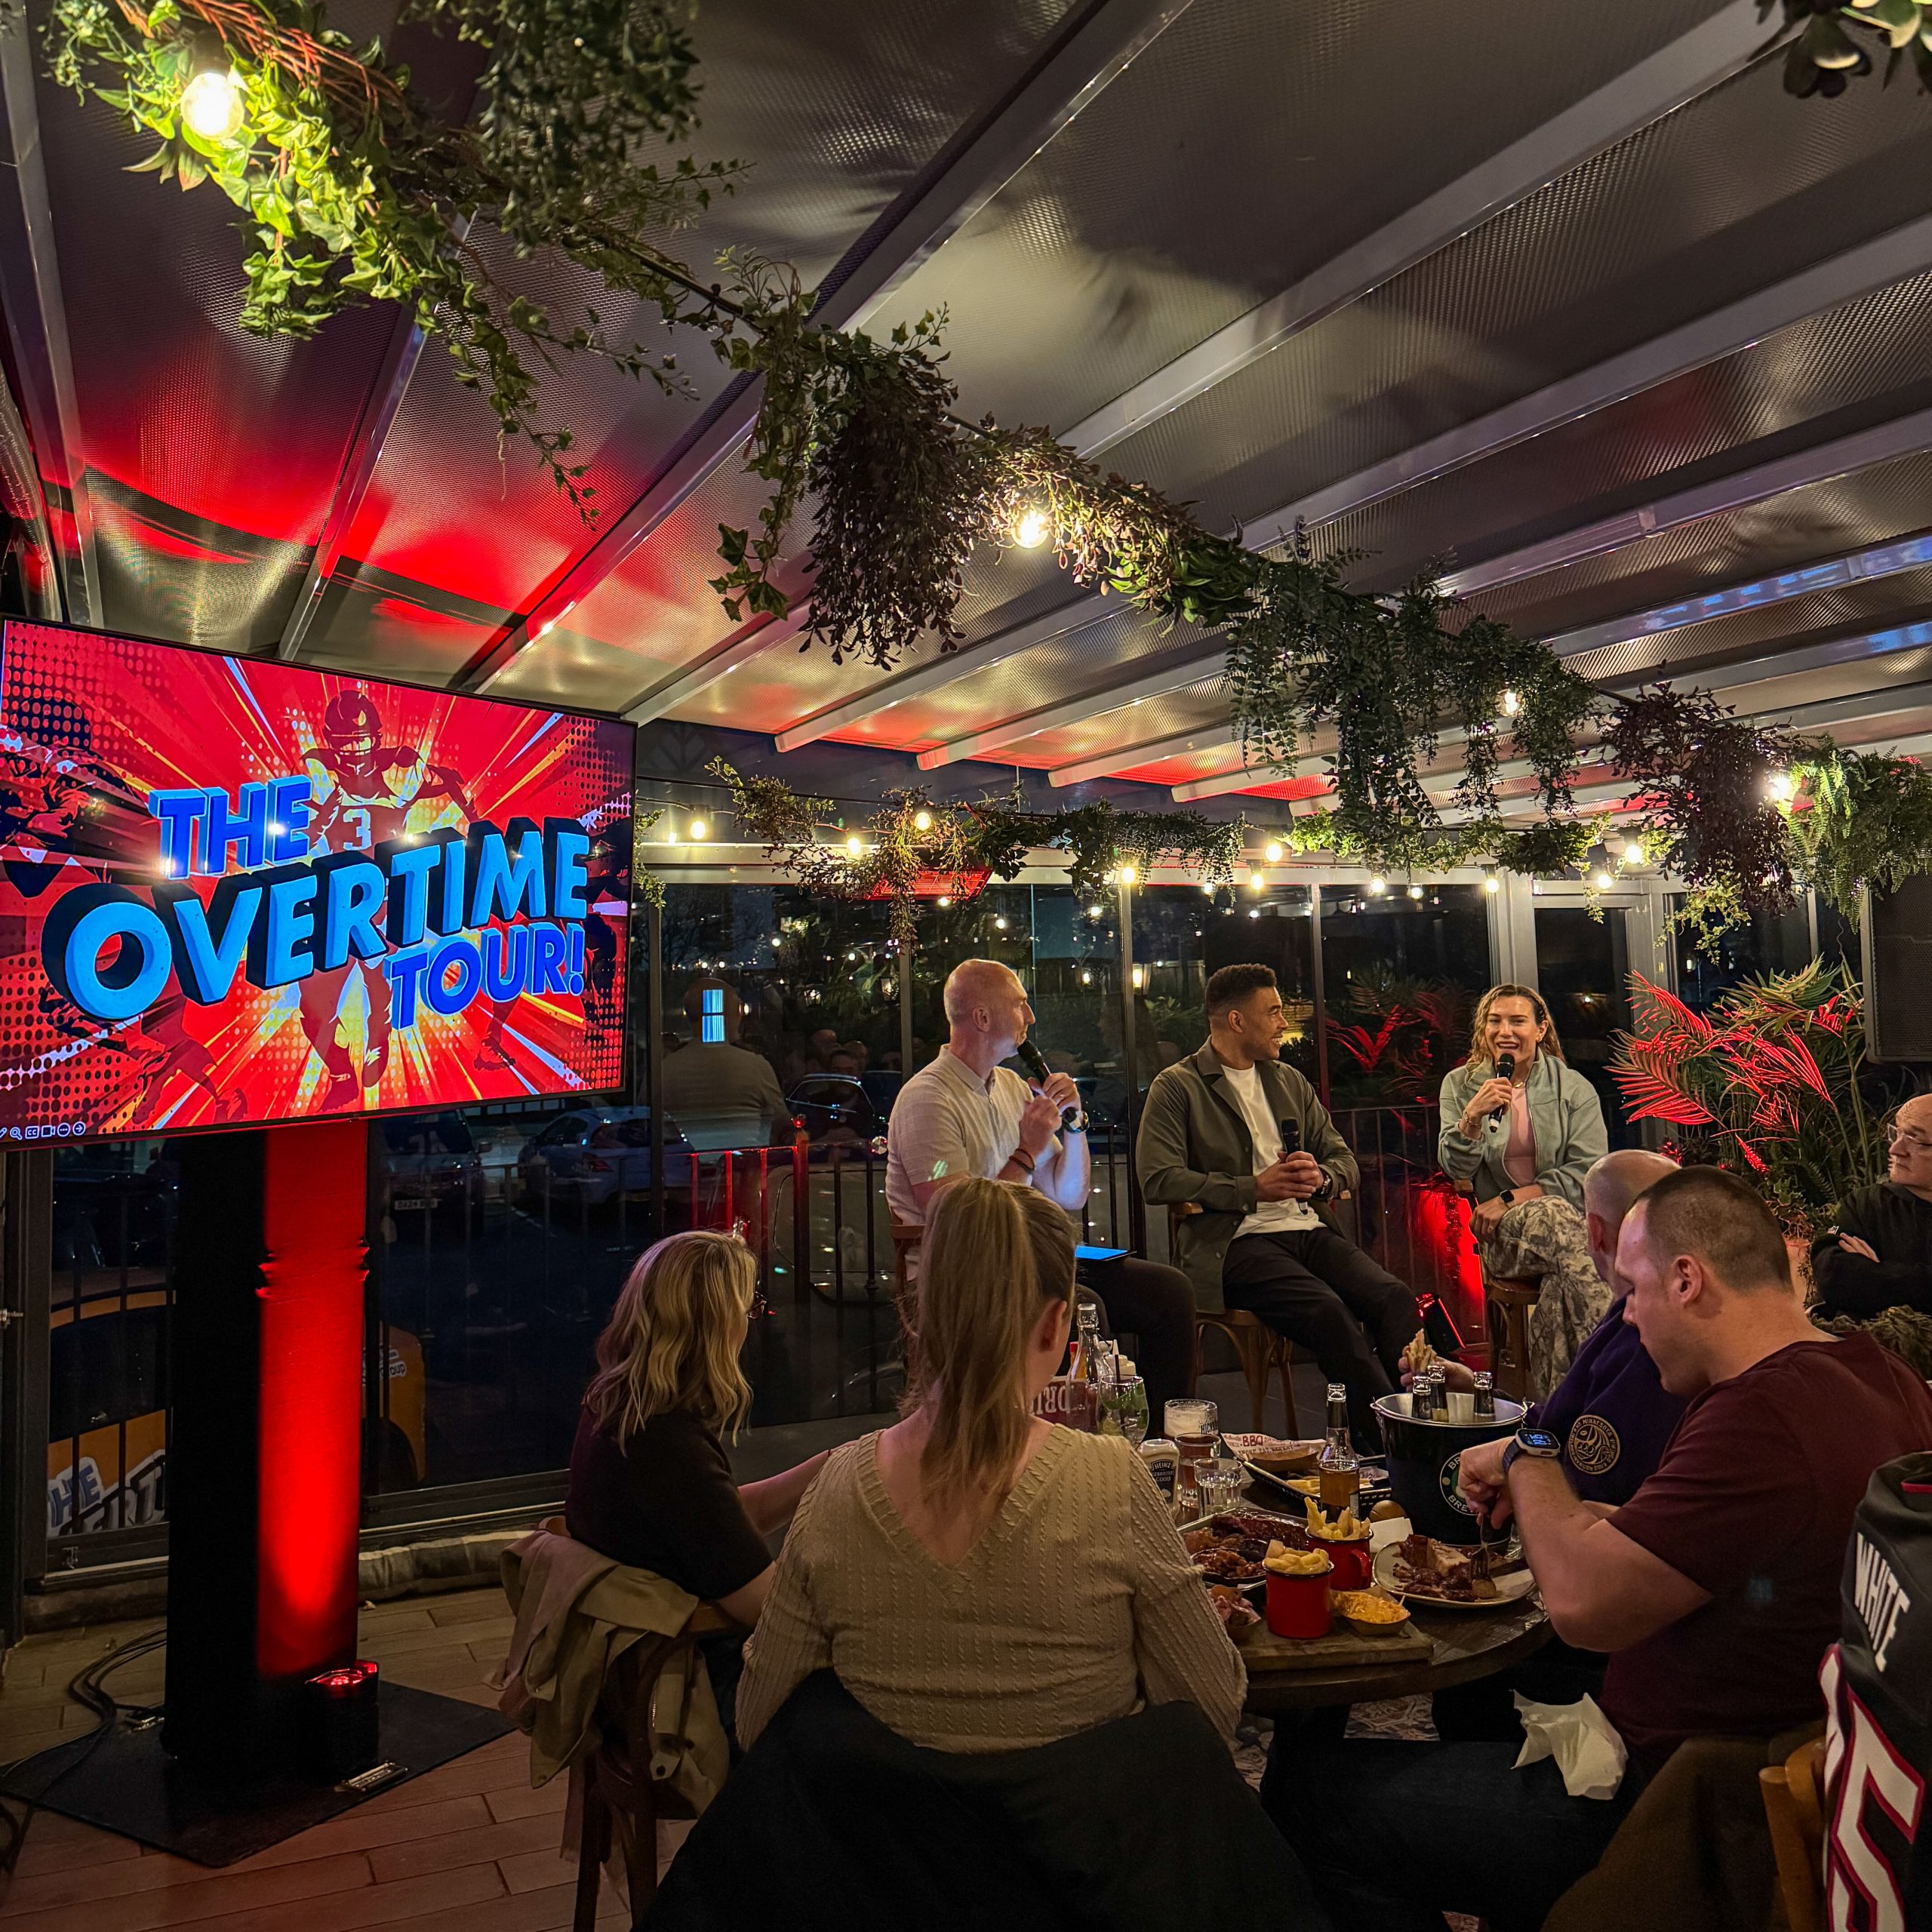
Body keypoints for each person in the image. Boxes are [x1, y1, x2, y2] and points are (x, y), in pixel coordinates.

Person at [1269, 1166, 1932, 1932]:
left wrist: (1527, 1453)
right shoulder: (1882, 1377)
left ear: (1686, 1279)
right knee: (1478, 1695)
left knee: (1305, 1797)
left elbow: (1585, 1607)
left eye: (1635, 1290)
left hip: (1682, 1813)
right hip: (1758, 1758)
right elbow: (1744, 1552)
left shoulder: (1763, 1416)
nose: (1630, 1316)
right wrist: (1597, 1519)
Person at [737, 1178, 1244, 1749]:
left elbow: (759, 1720)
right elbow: (1213, 1707)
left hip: (881, 1811)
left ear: (919, 1314)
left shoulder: (833, 1492)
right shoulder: (1113, 1479)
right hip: (1081, 1809)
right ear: (1055, 1323)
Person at [1429, 1148, 1683, 1737]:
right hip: (1584, 1558)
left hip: (1604, 1633)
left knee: (1460, 1656)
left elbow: (1588, 1486)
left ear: (1594, 1232)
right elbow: (1561, 1422)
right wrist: (1484, 1396)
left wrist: (1515, 1461)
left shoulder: (1651, 1341)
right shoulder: (1627, 1314)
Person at [884, 959, 1195, 1419]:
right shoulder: (927, 1098)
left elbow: (1070, 1195)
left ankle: (1159, 1441)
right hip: (959, 1274)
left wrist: (1074, 1124)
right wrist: (1026, 1151)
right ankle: (1083, 1440)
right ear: (983, 1018)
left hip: (1024, 1259)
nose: (1030, 1017)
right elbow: (960, 1220)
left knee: (1168, 1292)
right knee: (1084, 1306)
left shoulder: (1011, 1087)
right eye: (1020, 1005)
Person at [1137, 962, 1417, 1447]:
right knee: (1329, 1313)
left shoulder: (1288, 1081)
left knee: (1392, 1296)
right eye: (1273, 1012)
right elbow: (1158, 1178)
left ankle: (1421, 1423)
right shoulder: (1178, 1086)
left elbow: (1343, 1160)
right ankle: (1393, 1446)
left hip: (1308, 1229)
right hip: (1235, 1244)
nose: (1284, 1023)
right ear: (1236, 1021)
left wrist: (1322, 1178)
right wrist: (1252, 1189)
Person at [565, 1231, 826, 1737]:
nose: (751, 1325)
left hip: (629, 1670)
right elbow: (765, 1609)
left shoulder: (618, 1409)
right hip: (688, 1685)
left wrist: (830, 1467)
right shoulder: (666, 1445)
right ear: (713, 1325)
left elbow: (714, 1522)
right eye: (748, 1310)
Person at [1438, 983, 1611, 1395]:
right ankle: (1612, 1365)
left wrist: (1510, 1198)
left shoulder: (1573, 1088)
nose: (1505, 1031)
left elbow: (1588, 1173)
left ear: (1540, 1028)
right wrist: (1471, 1118)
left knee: (1557, 1288)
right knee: (1559, 1222)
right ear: (1483, 1029)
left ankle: (1559, 1408)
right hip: (1504, 1237)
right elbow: (1455, 1168)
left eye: (1517, 1021)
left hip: (1565, 1232)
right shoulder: (1461, 1085)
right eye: (1495, 1021)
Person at [1811, 1090, 1932, 1320]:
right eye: (1897, 1133)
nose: (1894, 1150)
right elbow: (1834, 1277)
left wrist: (1876, 1274)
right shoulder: (1865, 1205)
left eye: (1915, 1140)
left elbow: (1862, 1285)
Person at [657, 976, 791, 1150]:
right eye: (738, 1009)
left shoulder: (664, 1070)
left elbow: (644, 1120)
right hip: (744, 1164)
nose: (741, 1016)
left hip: (683, 1165)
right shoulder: (755, 1066)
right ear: (726, 1015)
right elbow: (783, 1124)